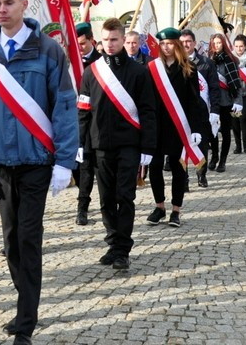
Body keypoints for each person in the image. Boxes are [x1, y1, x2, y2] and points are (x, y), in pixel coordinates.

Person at [0, 0, 78, 345]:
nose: (2, 9)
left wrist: (65, 161)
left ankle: (26, 322)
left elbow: (64, 106)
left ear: (23, 4)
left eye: (9, 2)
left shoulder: (48, 50)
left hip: (35, 161)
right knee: (10, 239)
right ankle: (23, 304)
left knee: (29, 239)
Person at [77, 18, 157, 270]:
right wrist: (82, 144)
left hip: (129, 144)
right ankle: (113, 242)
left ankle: (123, 248)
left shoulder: (139, 73)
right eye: (105, 40)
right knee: (105, 199)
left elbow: (148, 111)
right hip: (100, 144)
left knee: (125, 196)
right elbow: (83, 112)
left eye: (114, 40)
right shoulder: (91, 72)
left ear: (123, 40)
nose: (109, 44)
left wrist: (148, 147)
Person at [145, 28, 210, 228]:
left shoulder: (188, 68)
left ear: (177, 45)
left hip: (178, 126)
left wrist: (197, 128)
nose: (166, 47)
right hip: (157, 126)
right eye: (162, 44)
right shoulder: (152, 68)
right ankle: (159, 207)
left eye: (170, 43)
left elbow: (194, 101)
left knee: (178, 168)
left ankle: (176, 210)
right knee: (154, 167)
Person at [180, 29, 219, 188]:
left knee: (202, 144)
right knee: (182, 146)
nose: (185, 44)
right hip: (181, 112)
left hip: (201, 111)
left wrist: (215, 110)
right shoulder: (174, 63)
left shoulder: (206, 63)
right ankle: (183, 179)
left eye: (188, 41)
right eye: (182, 42)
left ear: (194, 43)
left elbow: (214, 88)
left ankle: (201, 174)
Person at [74, 21, 101, 226]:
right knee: (80, 169)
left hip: (96, 123)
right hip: (74, 122)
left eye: (82, 43)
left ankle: (90, 208)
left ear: (91, 40)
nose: (79, 47)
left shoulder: (100, 63)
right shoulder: (70, 61)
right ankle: (82, 207)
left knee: (92, 169)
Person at [208, 33, 242, 173]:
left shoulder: (230, 60)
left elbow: (236, 83)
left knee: (226, 131)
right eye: (214, 43)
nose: (216, 45)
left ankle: (223, 160)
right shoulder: (208, 60)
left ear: (224, 44)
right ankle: (214, 156)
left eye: (219, 43)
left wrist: (238, 101)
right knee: (212, 131)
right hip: (212, 101)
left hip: (227, 101)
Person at [232, 35, 246, 154]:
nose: (239, 49)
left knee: (243, 119)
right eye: (236, 46)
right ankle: (238, 145)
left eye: (241, 46)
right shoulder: (230, 58)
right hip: (234, 95)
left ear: (245, 46)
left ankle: (245, 144)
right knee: (235, 120)